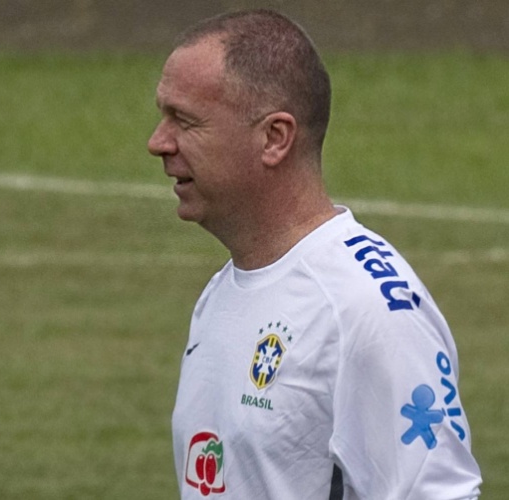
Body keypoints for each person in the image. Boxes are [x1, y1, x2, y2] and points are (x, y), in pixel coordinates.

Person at [147, 9, 481, 499]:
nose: (158, 142)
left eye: (185, 121)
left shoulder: (366, 309)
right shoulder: (222, 292)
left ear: (274, 138)